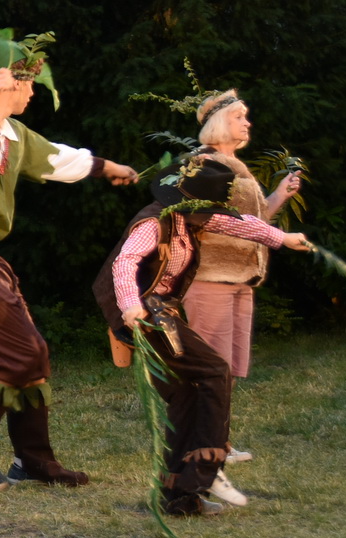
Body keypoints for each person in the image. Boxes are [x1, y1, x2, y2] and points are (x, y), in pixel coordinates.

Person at [0, 42, 136, 490]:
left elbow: (62, 159)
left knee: (33, 353)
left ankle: (35, 461)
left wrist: (110, 166)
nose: (32, 93)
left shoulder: (14, 135)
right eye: (28, 84)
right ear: (7, 83)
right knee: (19, 354)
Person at [96, 156, 310, 516]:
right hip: (144, 315)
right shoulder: (154, 221)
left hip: (162, 311)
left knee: (184, 397)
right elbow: (125, 262)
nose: (212, 214)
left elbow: (239, 225)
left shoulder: (190, 216)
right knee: (213, 370)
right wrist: (131, 306)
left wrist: (282, 238)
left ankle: (179, 498)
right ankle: (206, 469)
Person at [183, 89, 301, 466]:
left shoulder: (235, 165)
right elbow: (212, 220)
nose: (248, 123)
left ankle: (220, 442)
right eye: (240, 116)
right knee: (211, 368)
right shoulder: (206, 165)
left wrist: (279, 196)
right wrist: (279, 237)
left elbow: (253, 221)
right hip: (210, 278)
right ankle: (200, 445)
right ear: (219, 123)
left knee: (227, 368)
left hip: (240, 279)